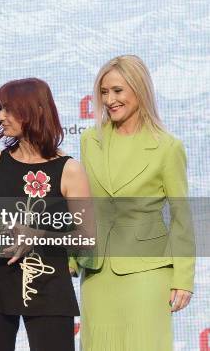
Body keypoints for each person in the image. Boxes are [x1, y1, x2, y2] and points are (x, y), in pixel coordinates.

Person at [77, 55, 194, 351]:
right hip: (96, 271)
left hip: (148, 272)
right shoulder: (90, 140)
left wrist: (183, 277)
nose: (109, 100)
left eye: (117, 91)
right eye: (104, 93)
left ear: (139, 89)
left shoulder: (168, 147)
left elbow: (182, 216)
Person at [0, 78, 93, 351]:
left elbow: (87, 237)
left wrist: (39, 235)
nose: (0, 116)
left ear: (32, 111)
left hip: (49, 285)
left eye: (8, 109)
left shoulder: (70, 169)